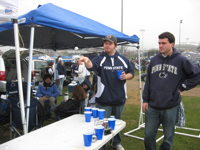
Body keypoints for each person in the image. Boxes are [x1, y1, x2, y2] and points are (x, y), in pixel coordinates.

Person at [142, 32, 200, 150]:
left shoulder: (181, 59)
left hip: (171, 105)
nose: (160, 46)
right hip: (153, 105)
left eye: (164, 43)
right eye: (159, 43)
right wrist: (145, 100)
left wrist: (183, 87)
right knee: (148, 136)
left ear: (172, 44)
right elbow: (148, 81)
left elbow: (197, 75)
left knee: (168, 138)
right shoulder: (153, 60)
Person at [78, 35, 134, 150]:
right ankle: (101, 145)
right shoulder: (100, 58)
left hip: (119, 98)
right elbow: (91, 66)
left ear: (115, 45)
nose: (107, 45)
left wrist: (126, 76)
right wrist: (87, 61)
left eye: (110, 43)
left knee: (116, 124)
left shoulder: (123, 59)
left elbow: (131, 73)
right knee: (102, 124)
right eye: (105, 43)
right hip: (104, 99)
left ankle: (116, 143)